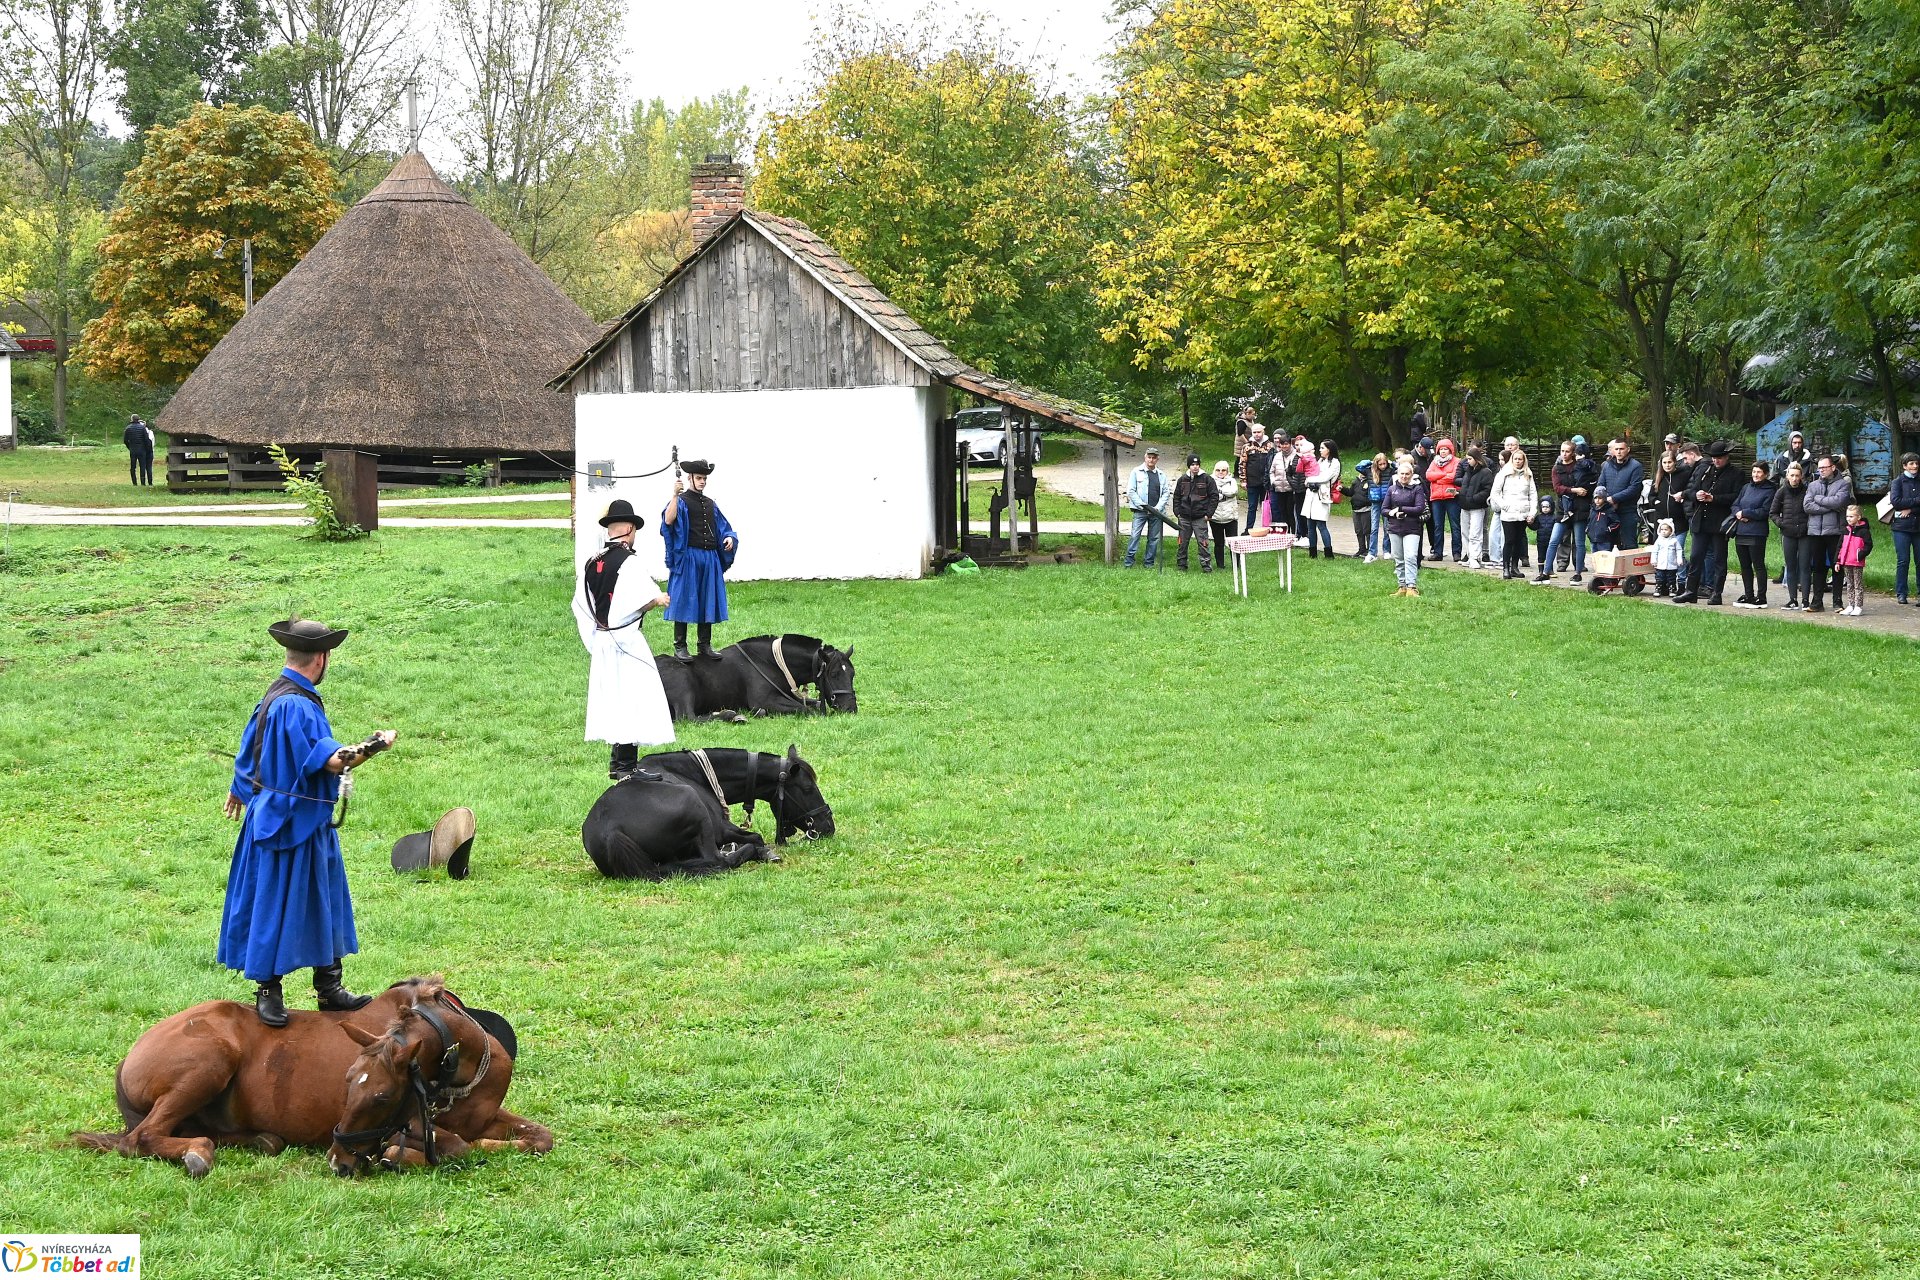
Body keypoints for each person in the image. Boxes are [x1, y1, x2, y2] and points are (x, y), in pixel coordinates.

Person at [219, 618, 397, 1027]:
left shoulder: (275, 694)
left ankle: (329, 989)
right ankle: (270, 992)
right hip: (288, 826)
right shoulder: (297, 706)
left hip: (289, 821)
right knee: (274, 904)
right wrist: (377, 744)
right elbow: (336, 760)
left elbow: (250, 751)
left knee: (322, 899)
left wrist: (239, 789)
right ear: (322, 658)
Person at [575, 497, 674, 781]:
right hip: (626, 640)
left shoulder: (591, 563)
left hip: (604, 639)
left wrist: (597, 636)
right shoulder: (629, 563)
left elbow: (581, 605)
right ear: (629, 529)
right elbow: (640, 600)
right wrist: (657, 599)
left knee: (617, 698)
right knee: (634, 697)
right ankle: (625, 766)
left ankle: (620, 763)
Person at [660, 459, 737, 660]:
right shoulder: (681, 501)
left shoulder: (711, 504)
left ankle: (704, 645)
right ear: (690, 478)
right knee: (683, 599)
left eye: (704, 478)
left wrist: (728, 537)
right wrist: (674, 495)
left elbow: (723, 527)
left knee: (707, 599)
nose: (702, 482)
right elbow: (668, 520)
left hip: (709, 558)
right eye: (699, 478)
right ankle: (680, 646)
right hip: (689, 558)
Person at [1674, 440, 1741, 606]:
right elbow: (1691, 490)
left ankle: (1716, 593)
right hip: (1701, 522)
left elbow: (1736, 497)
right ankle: (1691, 591)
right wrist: (1696, 495)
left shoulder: (1736, 474)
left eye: (1719, 458)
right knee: (1696, 557)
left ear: (1726, 457)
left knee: (1719, 559)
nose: (1716, 461)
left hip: (1719, 523)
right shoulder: (1705, 470)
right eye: (1714, 458)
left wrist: (1714, 498)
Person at [1533, 440, 1593, 585]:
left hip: (1579, 508)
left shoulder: (1580, 467)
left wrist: (1581, 490)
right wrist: (1574, 490)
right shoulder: (1557, 468)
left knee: (1579, 542)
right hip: (1563, 509)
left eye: (1567, 451)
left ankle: (1578, 573)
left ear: (1573, 453)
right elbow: (1557, 488)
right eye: (1562, 451)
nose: (1564, 454)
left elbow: (1588, 483)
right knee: (1554, 540)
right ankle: (1545, 572)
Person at [1800, 454, 1852, 613]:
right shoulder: (1813, 485)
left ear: (1833, 467)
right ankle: (1817, 602)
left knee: (1837, 567)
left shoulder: (1843, 484)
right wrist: (1828, 506)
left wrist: (1819, 499)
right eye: (1820, 467)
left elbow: (1839, 502)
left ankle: (1837, 602)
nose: (1821, 470)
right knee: (1818, 567)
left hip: (1835, 531)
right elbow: (1807, 506)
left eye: (1824, 467)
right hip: (1815, 532)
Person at [1730, 461, 1776, 608]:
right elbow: (1735, 504)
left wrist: (1746, 513)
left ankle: (1761, 597)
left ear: (1766, 474)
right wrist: (1738, 514)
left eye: (1759, 472)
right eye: (1754, 472)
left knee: (1758, 565)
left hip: (1757, 532)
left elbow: (1765, 511)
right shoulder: (1746, 487)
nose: (1756, 475)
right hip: (1741, 531)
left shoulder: (1770, 490)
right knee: (1745, 565)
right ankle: (1748, 594)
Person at [1488, 446, 1538, 580]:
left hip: (1523, 512)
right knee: (1509, 540)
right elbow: (1495, 493)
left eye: (1520, 459)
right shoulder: (1504, 473)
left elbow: (1533, 494)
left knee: (1518, 540)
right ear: (1512, 460)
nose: (1518, 461)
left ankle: (1514, 567)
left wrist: (1532, 512)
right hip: (1508, 513)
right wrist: (1504, 505)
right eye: (1515, 459)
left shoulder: (1528, 474)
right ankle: (1505, 568)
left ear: (1524, 460)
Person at [1383, 457, 1428, 596]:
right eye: (1401, 474)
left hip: (1412, 528)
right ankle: (1401, 586)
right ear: (1397, 474)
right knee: (1398, 558)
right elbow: (1384, 509)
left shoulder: (1417, 489)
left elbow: (1420, 508)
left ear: (1411, 475)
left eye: (1407, 474)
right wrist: (1393, 513)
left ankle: (1411, 586)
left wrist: (1402, 509)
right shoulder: (1392, 489)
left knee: (1410, 556)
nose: (1404, 476)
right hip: (1395, 527)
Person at [1771, 460, 1811, 610]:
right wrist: (1782, 523)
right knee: (1791, 566)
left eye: (1797, 476)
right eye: (1792, 475)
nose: (1794, 478)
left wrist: (1808, 525)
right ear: (1787, 476)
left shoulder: (1807, 491)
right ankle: (1792, 599)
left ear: (1801, 476)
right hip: (1788, 534)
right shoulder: (1781, 491)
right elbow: (1773, 512)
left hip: (1805, 534)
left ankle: (1806, 600)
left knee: (1805, 566)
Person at [1595, 437, 1646, 550]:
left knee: (1629, 545)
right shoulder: (1607, 465)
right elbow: (1600, 484)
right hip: (1609, 511)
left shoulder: (1636, 466)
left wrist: (1614, 499)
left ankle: (1631, 568)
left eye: (1621, 449)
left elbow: (1634, 488)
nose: (1619, 451)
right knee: (1607, 545)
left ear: (1628, 449)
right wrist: (1605, 500)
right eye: (1616, 449)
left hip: (1627, 511)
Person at [1172, 453, 1219, 572]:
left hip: (1200, 517)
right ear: (1189, 466)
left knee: (1203, 543)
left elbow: (1214, 497)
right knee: (1182, 543)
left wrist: (1209, 514)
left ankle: (1206, 566)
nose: (1195, 467)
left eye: (1197, 464)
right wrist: (1177, 511)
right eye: (1192, 464)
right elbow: (1176, 496)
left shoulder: (1207, 479)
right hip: (1184, 517)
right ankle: (1181, 565)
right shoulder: (1182, 479)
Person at [1124, 446, 1171, 567]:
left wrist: (1158, 507)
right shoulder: (1136, 472)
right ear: (1145, 457)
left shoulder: (1161, 475)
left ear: (1157, 459)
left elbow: (1166, 492)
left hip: (1156, 512)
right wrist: (1142, 505)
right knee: (1135, 535)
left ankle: (1149, 563)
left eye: (1153, 458)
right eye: (1149, 457)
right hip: (1140, 511)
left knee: (1154, 538)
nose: (1151, 460)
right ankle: (1129, 562)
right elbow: (1131, 491)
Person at [1888, 452, 1920, 605]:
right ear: (1904, 466)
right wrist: (1916, 501)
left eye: (1916, 463)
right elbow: (1896, 502)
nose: (1915, 466)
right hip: (1901, 527)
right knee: (1903, 560)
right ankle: (1901, 592)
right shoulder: (1897, 482)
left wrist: (1911, 509)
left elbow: (1905, 505)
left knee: (1919, 561)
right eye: (1911, 463)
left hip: (1918, 526)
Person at [1425, 438, 1463, 561]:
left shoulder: (1457, 462)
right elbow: (1429, 475)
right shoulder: (1434, 462)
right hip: (1436, 498)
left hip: (1452, 497)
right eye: (1441, 449)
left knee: (1455, 525)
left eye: (1445, 449)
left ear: (1450, 450)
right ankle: (1437, 552)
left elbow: (1455, 477)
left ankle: (1457, 553)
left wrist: (1438, 478)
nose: (1443, 451)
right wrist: (1444, 476)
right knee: (1437, 525)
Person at [1300, 441, 1338, 558]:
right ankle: (1312, 552)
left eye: (1322, 448)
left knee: (1321, 525)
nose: (1320, 450)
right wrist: (1309, 481)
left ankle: (1328, 553)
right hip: (1311, 494)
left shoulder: (1334, 462)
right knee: (1310, 525)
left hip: (1322, 495)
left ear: (1329, 449)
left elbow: (1325, 477)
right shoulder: (1319, 461)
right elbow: (1309, 473)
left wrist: (1310, 480)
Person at [1457, 445, 1493, 568]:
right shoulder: (1468, 471)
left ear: (1477, 459)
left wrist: (1474, 498)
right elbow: (1465, 487)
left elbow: (1487, 490)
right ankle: (1468, 555)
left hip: (1477, 507)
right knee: (1465, 532)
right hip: (1465, 506)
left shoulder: (1486, 472)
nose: (1467, 462)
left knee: (1475, 533)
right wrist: (1460, 495)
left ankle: (1475, 557)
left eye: (1469, 459)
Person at [1837, 503, 1874, 616]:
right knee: (1849, 584)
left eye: (1851, 516)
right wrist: (1837, 561)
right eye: (1847, 516)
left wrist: (1860, 555)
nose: (1848, 519)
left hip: (1857, 562)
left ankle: (1858, 606)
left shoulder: (1864, 531)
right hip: (1846, 561)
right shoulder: (1845, 530)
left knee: (1858, 584)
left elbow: (1869, 545)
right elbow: (1840, 546)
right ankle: (1850, 605)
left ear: (1858, 517)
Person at [1242, 426, 1274, 533]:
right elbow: (1242, 464)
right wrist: (1243, 480)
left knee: (1266, 506)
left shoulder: (1270, 446)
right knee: (1252, 506)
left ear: (1263, 432)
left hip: (1266, 482)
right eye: (1254, 432)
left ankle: (1267, 528)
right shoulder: (1247, 446)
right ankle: (1248, 529)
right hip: (1252, 481)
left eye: (1259, 432)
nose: (1257, 434)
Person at [1363, 451, 1391, 561]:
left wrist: (1391, 463)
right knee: (1374, 528)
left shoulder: (1390, 470)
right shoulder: (1370, 471)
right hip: (1375, 501)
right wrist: (1370, 462)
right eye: (1380, 464)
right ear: (1376, 464)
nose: (1383, 466)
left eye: (1385, 464)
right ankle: (1372, 552)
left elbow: (1398, 466)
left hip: (1386, 502)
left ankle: (1387, 550)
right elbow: (1359, 466)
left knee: (1387, 527)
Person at [1650, 519, 1684, 596]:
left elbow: (1679, 550)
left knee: (1671, 578)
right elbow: (1655, 551)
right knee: (1659, 577)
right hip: (1660, 564)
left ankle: (1672, 589)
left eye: (1666, 529)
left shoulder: (1674, 541)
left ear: (1671, 530)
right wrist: (1654, 560)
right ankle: (1658, 588)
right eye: (1662, 529)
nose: (1663, 531)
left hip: (1671, 564)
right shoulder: (1658, 541)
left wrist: (1679, 559)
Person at [123, 414, 155, 486]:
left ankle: (134, 482)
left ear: (132, 419)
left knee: (133, 467)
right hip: (142, 450)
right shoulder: (142, 428)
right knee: (142, 466)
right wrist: (147, 448)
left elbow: (125, 440)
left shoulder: (128, 428)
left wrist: (130, 447)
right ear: (138, 419)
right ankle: (143, 482)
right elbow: (146, 440)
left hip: (133, 450)